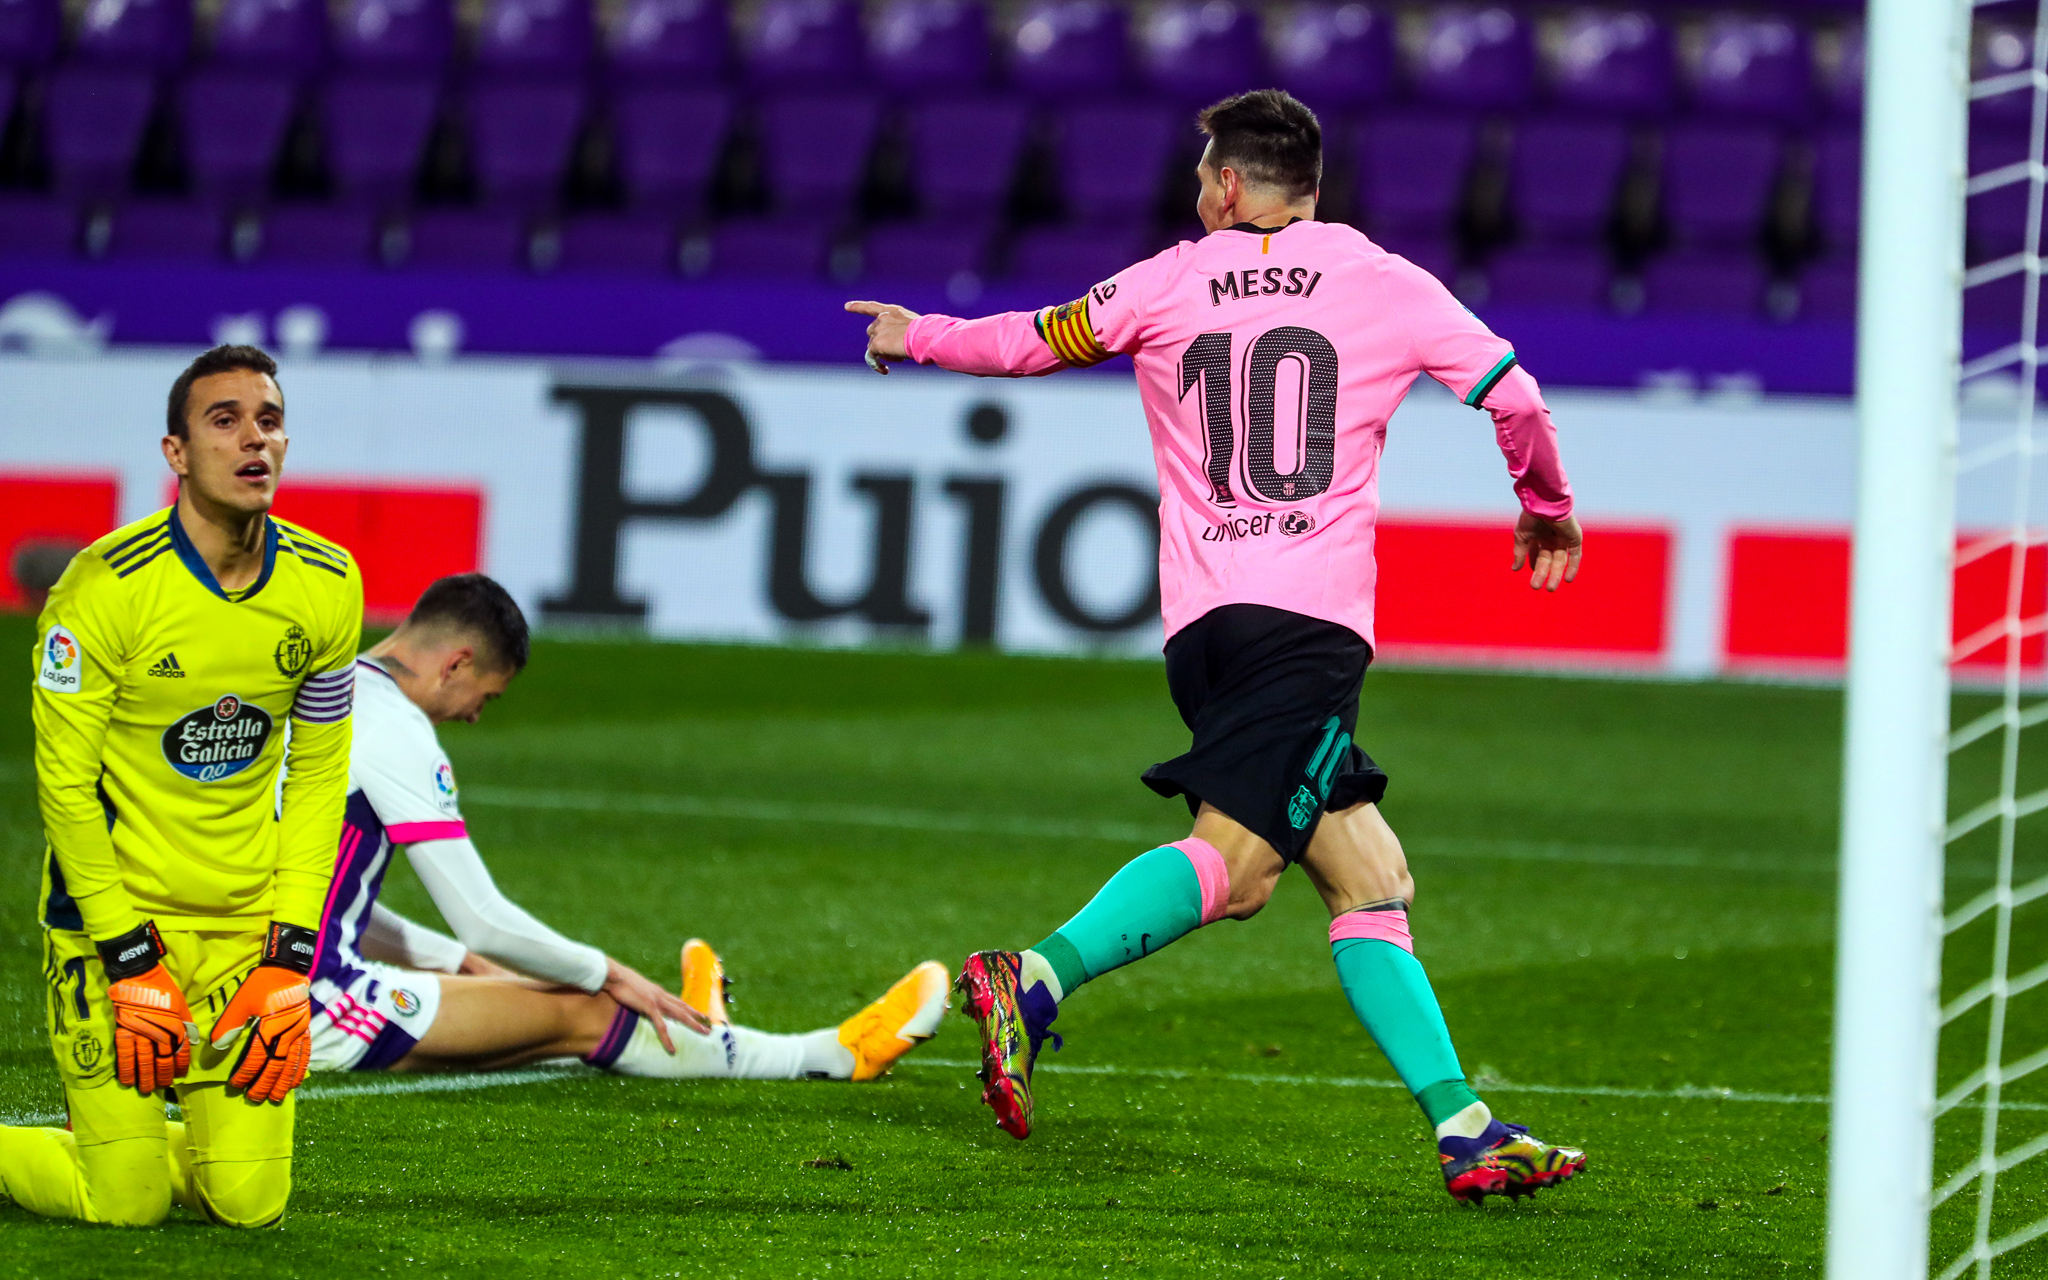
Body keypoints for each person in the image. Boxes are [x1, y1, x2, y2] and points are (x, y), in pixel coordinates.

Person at [846, 89, 1587, 1203]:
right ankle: (1032, 975)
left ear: (1230, 185)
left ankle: (1464, 1126)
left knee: (1370, 873)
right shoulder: (1384, 279)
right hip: (1310, 626)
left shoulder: (1165, 279)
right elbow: (1512, 394)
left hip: (1205, 629)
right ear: (1311, 187)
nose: (1195, 194)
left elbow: (1033, 340)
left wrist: (921, 335)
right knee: (1236, 872)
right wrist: (1544, 503)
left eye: (1201, 177)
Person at [308, 573, 949, 1083]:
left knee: (519, 1002)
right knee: (587, 1007)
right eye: (488, 694)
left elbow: (312, 894)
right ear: (456, 663)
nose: (476, 716)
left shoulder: (322, 695)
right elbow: (483, 918)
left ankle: (705, 1025)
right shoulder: (397, 730)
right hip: (312, 1006)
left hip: (240, 986)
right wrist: (611, 972)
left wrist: (460, 962)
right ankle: (827, 1055)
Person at [1, 345, 362, 1227]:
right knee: (123, 1205)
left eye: (269, 421)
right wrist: (127, 959)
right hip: (113, 931)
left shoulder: (327, 585)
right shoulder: (103, 588)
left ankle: (153, 1140)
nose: (253, 441)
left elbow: (318, 776)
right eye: (224, 420)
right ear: (176, 453)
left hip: (244, 936)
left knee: (246, 1206)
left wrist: (287, 960)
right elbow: (65, 787)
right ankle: (103, 1151)